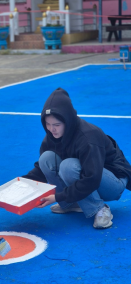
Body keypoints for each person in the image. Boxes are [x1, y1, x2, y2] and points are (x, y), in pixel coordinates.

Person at [23, 88, 131, 229]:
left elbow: (92, 178)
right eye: (47, 124)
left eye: (56, 125)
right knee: (46, 158)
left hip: (112, 182)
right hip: (90, 177)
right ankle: (70, 204)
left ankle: (99, 209)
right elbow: (41, 170)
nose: (52, 129)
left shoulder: (88, 136)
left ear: (68, 121)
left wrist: (58, 196)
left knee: (69, 166)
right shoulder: (52, 136)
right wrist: (19, 186)